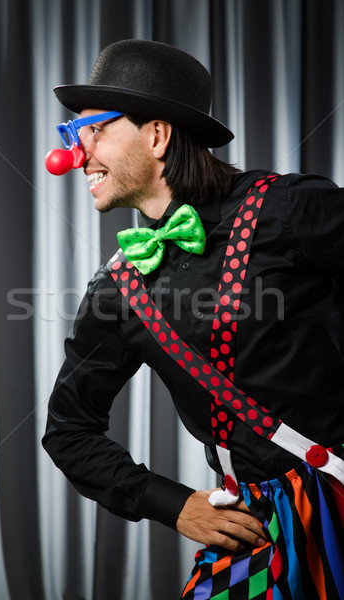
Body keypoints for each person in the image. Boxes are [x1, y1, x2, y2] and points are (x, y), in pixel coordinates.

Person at [42, 39, 344, 599]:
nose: (73, 154)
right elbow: (68, 431)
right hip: (262, 527)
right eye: (72, 135)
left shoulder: (289, 209)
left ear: (156, 135)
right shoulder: (117, 289)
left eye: (94, 131)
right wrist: (175, 506)